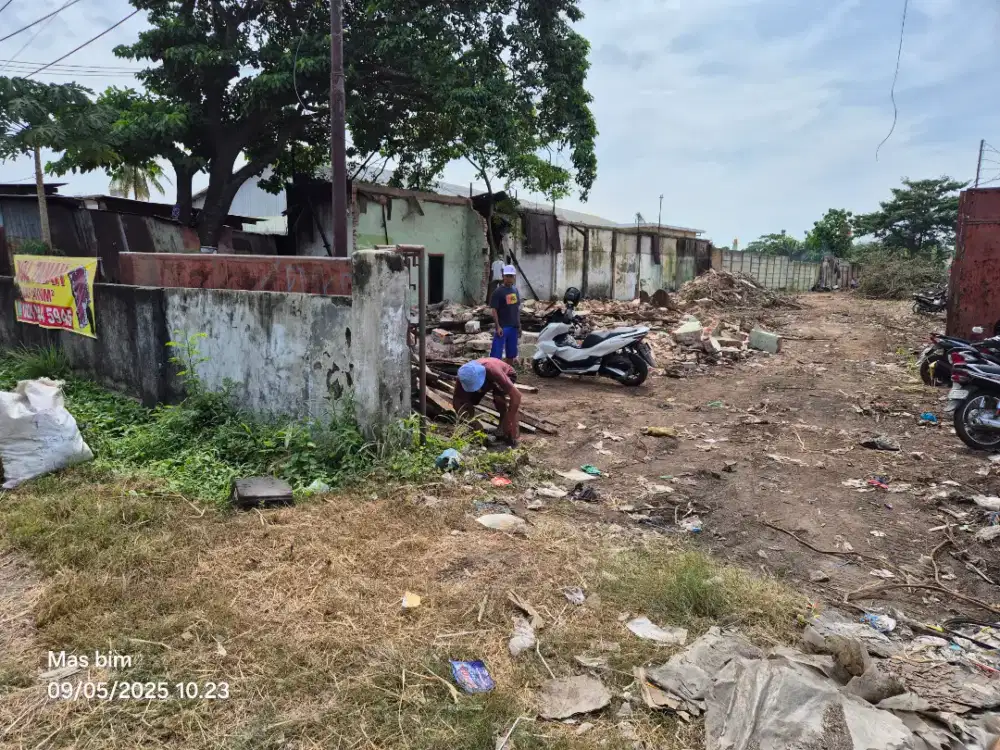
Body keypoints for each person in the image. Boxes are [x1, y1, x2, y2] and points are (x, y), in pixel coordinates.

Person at [453, 358, 522, 447]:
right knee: (467, 400)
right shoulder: (464, 375)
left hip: (507, 373)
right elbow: (456, 401)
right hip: (486, 379)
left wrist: (509, 420)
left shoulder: (493, 371)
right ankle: (474, 428)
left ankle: (507, 430)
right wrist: (471, 421)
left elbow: (517, 396)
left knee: (498, 398)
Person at [490, 264, 520, 366]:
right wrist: (498, 327)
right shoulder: (498, 292)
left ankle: (508, 373)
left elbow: (516, 309)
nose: (509, 278)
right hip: (503, 327)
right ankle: (495, 373)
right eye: (507, 276)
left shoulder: (515, 290)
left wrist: (519, 325)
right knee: (496, 354)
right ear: (503, 276)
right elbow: (494, 310)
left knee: (511, 353)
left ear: (514, 277)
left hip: (513, 327)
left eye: (511, 276)